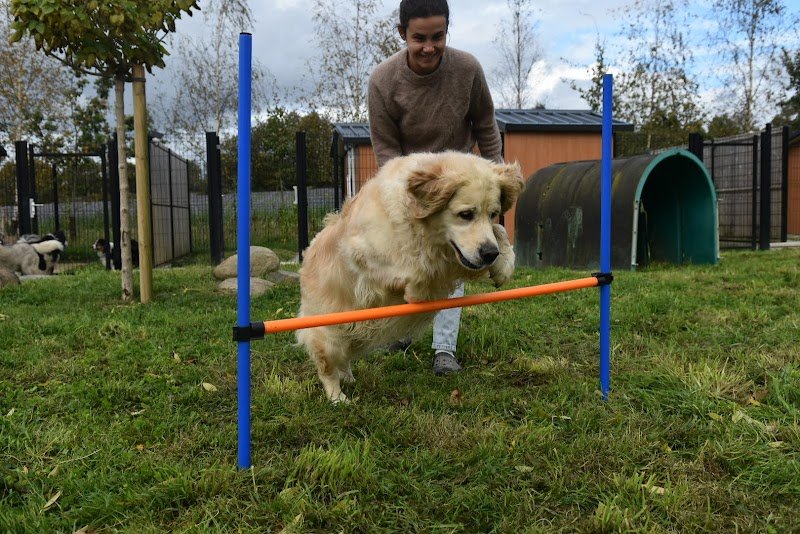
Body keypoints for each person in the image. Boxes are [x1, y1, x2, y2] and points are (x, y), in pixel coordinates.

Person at [367, 0, 503, 376]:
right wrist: (399, 202)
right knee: (408, 264)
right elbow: (386, 149)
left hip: (459, 186)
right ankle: (403, 330)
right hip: (411, 187)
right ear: (402, 34)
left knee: (453, 262)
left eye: (438, 36)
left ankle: (445, 350)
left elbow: (487, 126)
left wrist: (495, 192)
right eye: (419, 38)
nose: (429, 47)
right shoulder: (383, 80)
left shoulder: (468, 69)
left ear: (447, 30)